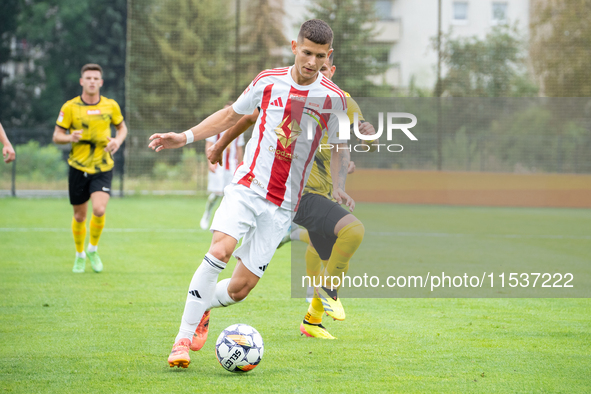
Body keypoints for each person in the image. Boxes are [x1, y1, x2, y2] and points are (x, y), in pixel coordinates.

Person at [148, 19, 352, 368]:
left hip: (284, 207)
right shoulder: (267, 81)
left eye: (319, 56)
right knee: (220, 249)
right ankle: (181, 341)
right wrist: (184, 137)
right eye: (306, 52)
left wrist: (340, 187)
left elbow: (341, 146)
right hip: (248, 188)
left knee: (240, 289)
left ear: (328, 55)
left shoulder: (334, 99)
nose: (311, 62)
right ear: (293, 47)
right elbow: (231, 115)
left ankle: (202, 309)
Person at [209, 52, 377, 339]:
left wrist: (368, 140)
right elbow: (249, 117)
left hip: (322, 192)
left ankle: (312, 319)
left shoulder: (342, 102)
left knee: (330, 253)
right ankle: (322, 290)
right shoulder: (290, 92)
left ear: (332, 69)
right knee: (349, 232)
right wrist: (220, 145)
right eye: (312, 65)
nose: (316, 72)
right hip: (293, 190)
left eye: (323, 68)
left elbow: (353, 145)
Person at [53, 63, 128, 273]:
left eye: (96, 78)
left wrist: (117, 141)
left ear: (101, 82)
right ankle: (80, 255)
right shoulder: (69, 107)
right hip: (78, 166)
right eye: (88, 78)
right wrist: (69, 137)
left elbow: (122, 128)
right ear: (82, 81)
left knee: (99, 209)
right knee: (79, 216)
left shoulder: (111, 105)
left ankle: (93, 249)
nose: (92, 81)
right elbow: (56, 136)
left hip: (103, 165)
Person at [200, 102, 245, 230]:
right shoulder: (217, 128)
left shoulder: (239, 128)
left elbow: (239, 148)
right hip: (218, 166)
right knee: (217, 194)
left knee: (230, 195)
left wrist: (240, 166)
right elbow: (209, 145)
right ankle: (207, 213)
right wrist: (210, 163)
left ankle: (223, 224)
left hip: (231, 166)